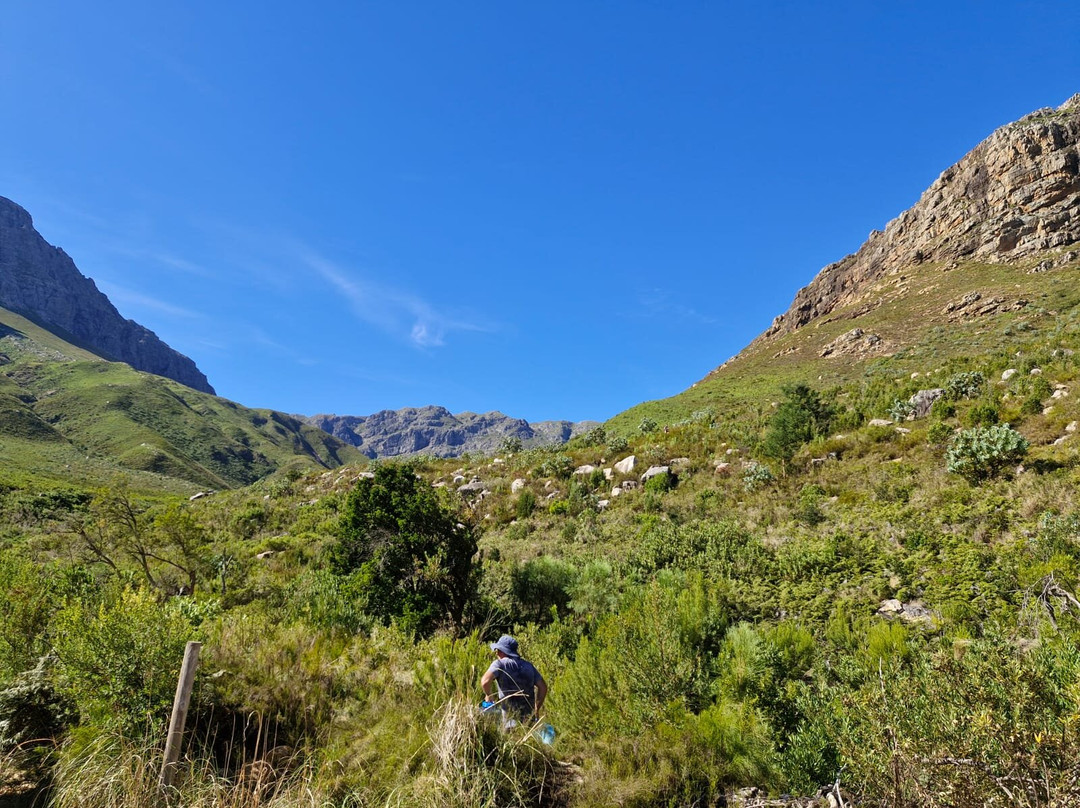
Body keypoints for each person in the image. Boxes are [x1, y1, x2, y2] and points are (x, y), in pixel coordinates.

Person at [480, 634, 547, 724]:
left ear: (503, 651)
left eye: (498, 650)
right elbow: (543, 687)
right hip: (528, 721)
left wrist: (489, 695)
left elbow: (485, 681)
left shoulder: (500, 664)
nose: (496, 653)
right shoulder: (529, 666)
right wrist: (536, 709)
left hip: (509, 720)